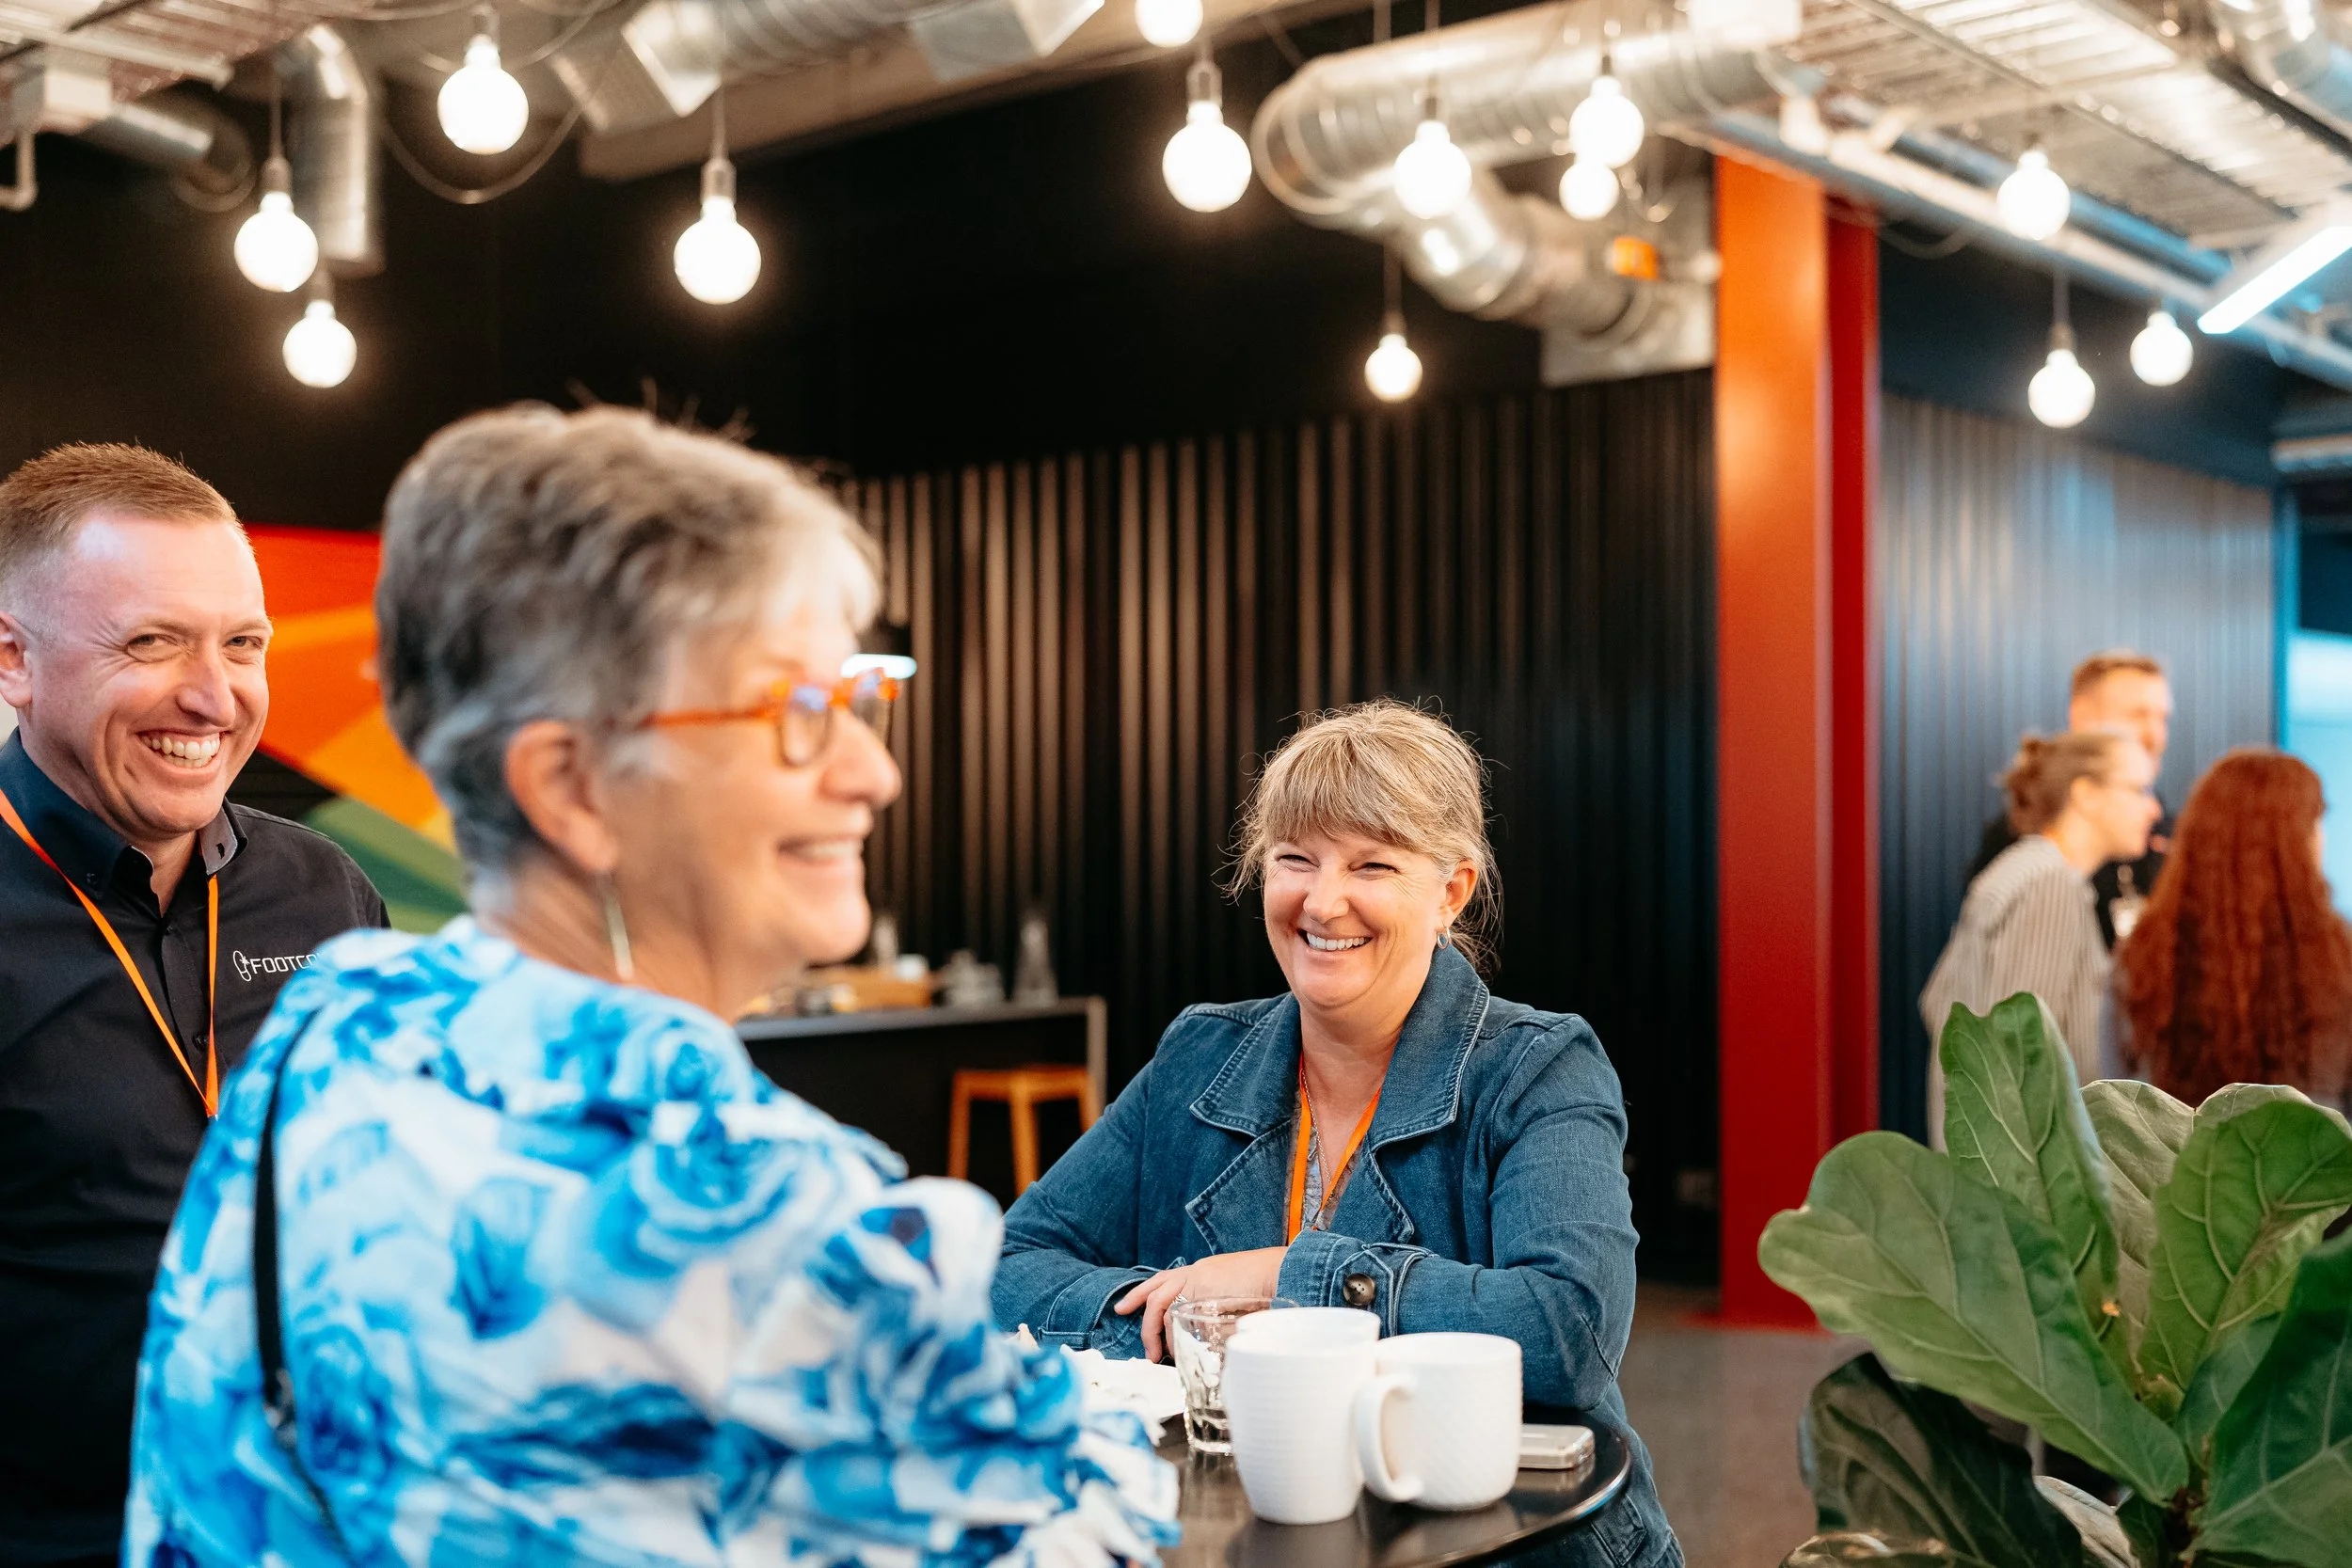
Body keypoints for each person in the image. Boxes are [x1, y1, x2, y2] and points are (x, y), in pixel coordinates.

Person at [126, 406, 1175, 1567]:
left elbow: (203, 1488)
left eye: (857, 697)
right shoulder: (754, 1206)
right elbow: (1098, 1524)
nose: (873, 769)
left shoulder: (336, 1025)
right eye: (792, 712)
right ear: (572, 785)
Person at [993, 700, 1679, 1568]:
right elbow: (1008, 1269)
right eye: (1295, 860)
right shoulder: (1202, 1052)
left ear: (1451, 890)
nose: (1323, 900)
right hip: (1258, 1540)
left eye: (1372, 864)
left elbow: (1568, 1329)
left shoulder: (1538, 1067)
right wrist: (1192, 1322)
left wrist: (1292, 1281)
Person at [0, 444, 385, 1567]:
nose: (214, 695)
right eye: (151, 641)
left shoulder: (326, 891)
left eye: (243, 642)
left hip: (312, 1528)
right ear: (13, 660)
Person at [1922, 730, 2161, 1140]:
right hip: (2028, 1185)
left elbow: (1937, 1001)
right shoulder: (2049, 884)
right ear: (2086, 795)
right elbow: (2021, 1057)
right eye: (2138, 789)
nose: (2153, 808)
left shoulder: (2025, 871)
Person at [2109, 749, 2352, 1108]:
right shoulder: (2337, 957)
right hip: (2313, 1162)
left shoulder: (2144, 956)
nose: (2321, 839)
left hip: (2176, 1161)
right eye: (2315, 823)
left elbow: (2113, 1096)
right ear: (2291, 840)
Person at [1967, 651, 2175, 946]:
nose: (2155, 734)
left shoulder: (2165, 832)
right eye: (2137, 715)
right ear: (2082, 718)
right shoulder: (2023, 843)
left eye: (2163, 718)